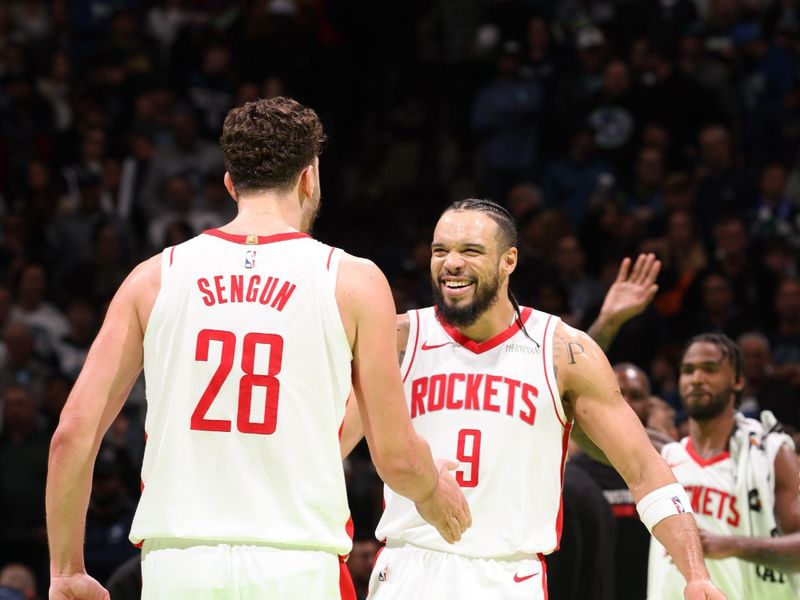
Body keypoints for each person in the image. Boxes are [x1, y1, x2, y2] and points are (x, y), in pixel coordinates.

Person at [46, 96, 470, 600]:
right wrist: (433, 493)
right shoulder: (353, 281)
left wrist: (67, 569)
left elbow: (72, 434)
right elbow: (396, 456)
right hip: (297, 565)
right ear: (309, 177)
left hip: (178, 565)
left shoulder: (153, 278)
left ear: (230, 183)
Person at [341, 199, 725, 599]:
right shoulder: (397, 340)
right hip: (409, 569)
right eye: (441, 251)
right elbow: (329, 450)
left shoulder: (563, 351)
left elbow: (645, 470)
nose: (451, 263)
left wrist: (695, 574)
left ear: (509, 261)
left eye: (470, 250)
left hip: (510, 575)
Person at [647, 333, 800, 599]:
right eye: (688, 370)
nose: (697, 378)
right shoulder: (664, 456)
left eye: (710, 369)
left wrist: (731, 545)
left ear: (738, 379)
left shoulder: (771, 453)